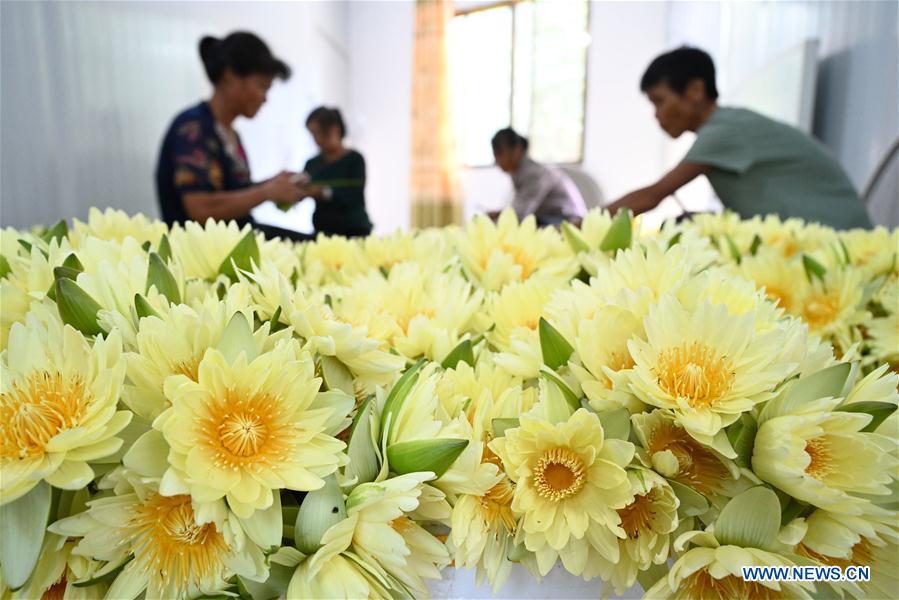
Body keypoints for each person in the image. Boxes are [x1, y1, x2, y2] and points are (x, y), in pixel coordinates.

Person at [607, 47, 872, 229]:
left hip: (841, 238)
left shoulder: (724, 131)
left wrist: (577, 227)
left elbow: (652, 196)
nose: (657, 115)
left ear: (696, 90)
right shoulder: (730, 123)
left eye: (659, 101)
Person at [156, 32, 308, 239]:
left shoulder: (230, 134)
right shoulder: (193, 129)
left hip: (236, 242)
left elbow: (233, 191)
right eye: (262, 86)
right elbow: (201, 209)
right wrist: (266, 192)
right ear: (230, 78)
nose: (265, 98)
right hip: (204, 253)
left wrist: (273, 184)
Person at [296, 107, 373, 237]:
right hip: (323, 233)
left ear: (334, 129)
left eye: (318, 133)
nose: (316, 140)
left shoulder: (355, 160)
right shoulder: (312, 164)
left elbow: (353, 195)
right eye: (312, 135)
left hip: (354, 231)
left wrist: (322, 192)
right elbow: (301, 191)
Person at [491, 128, 585, 226]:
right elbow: (518, 210)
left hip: (569, 221)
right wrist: (500, 214)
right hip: (549, 218)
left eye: (499, 154)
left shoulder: (534, 174)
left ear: (517, 150)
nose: (496, 161)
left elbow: (520, 215)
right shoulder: (519, 173)